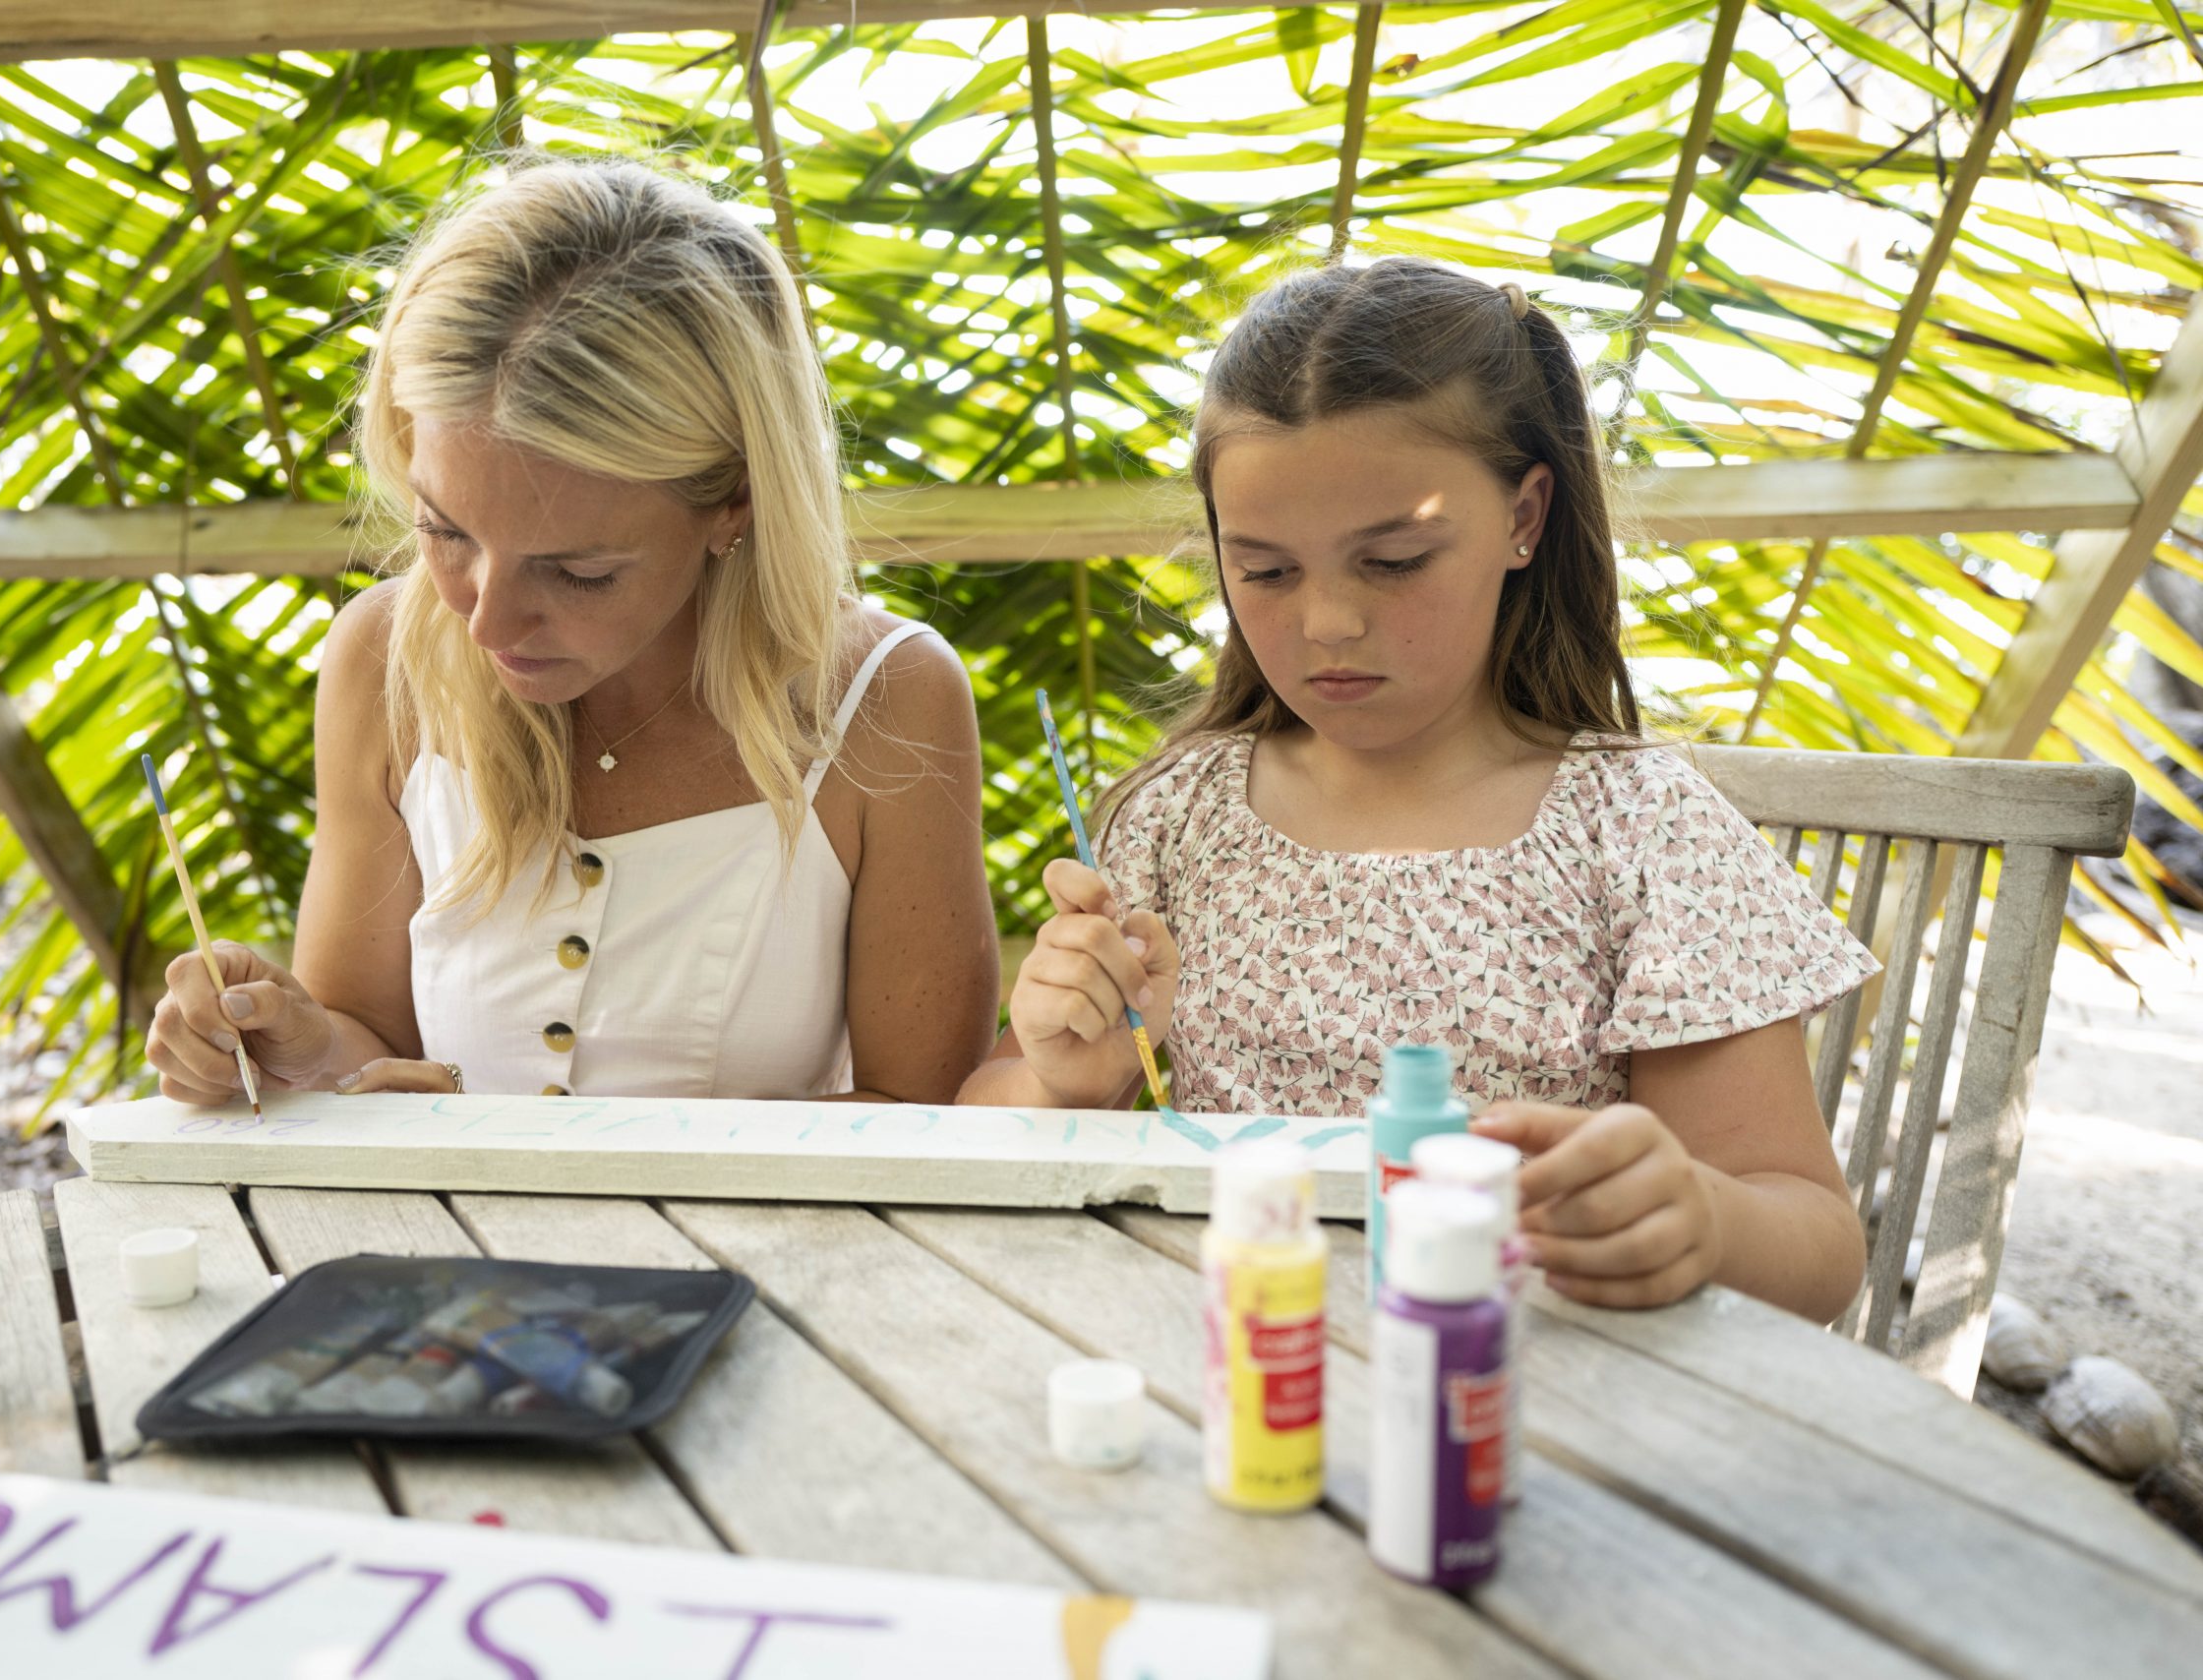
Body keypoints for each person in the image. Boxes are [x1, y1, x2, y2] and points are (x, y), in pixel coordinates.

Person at [962, 258, 1877, 1321]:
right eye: (1261, 570)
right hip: (1229, 1371)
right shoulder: (1177, 816)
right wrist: (1063, 1082)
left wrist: (1703, 1217)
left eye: (1393, 560)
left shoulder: (1636, 831)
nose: (1327, 623)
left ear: (1525, 516)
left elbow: (1815, 1244)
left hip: (1521, 1393)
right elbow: (985, 1121)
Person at [146, 154, 999, 1108]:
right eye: (443, 531)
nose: (485, 616)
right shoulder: (383, 659)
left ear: (734, 503)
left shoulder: (884, 699)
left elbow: (922, 1125)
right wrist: (297, 1050)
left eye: (577, 570)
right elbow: (371, 1044)